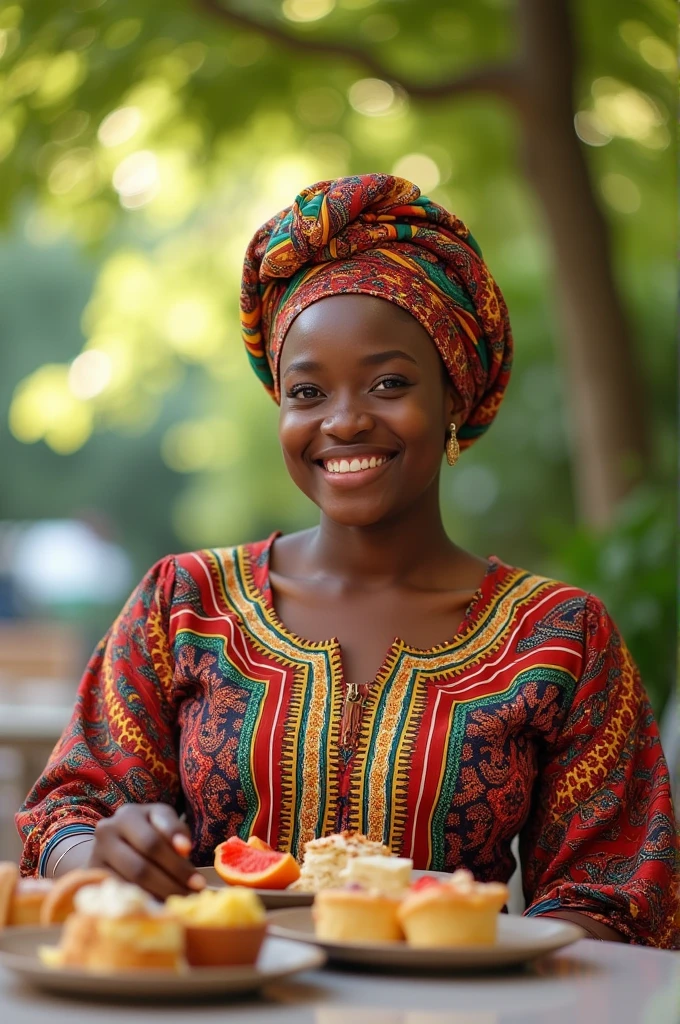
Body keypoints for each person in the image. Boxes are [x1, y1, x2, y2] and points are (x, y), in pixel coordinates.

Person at [17, 174, 678, 948]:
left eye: (389, 383)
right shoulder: (185, 603)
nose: (344, 420)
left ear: (455, 396)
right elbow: (65, 812)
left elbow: (616, 897)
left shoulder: (562, 638)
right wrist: (96, 854)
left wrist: (475, 964)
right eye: (307, 391)